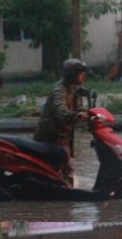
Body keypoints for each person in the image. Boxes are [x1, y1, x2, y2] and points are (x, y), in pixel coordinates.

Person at [33, 59, 90, 187]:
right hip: (50, 140)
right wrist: (77, 115)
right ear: (72, 74)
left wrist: (87, 112)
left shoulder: (74, 89)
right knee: (64, 176)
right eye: (80, 73)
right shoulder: (58, 91)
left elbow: (78, 107)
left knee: (67, 174)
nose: (83, 76)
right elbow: (61, 112)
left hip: (63, 140)